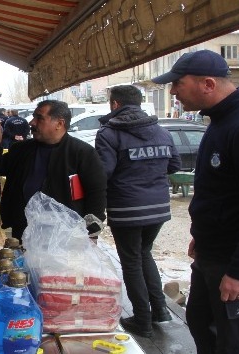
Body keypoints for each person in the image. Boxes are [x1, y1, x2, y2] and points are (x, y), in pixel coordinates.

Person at [152, 49, 239, 353]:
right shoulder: (221, 122)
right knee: (205, 327)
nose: (173, 91)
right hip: (215, 255)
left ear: (208, 84)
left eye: (178, 83)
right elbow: (219, 192)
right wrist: (202, 239)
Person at [94, 85, 181, 338]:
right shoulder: (161, 132)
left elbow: (104, 172)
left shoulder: (109, 133)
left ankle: (142, 320)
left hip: (127, 208)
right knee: (144, 254)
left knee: (131, 261)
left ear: (115, 105)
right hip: (158, 208)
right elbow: (174, 164)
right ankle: (160, 311)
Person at [0, 100, 107, 241]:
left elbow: (96, 193)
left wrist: (92, 233)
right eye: (34, 117)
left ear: (59, 124)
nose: (32, 123)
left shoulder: (82, 153)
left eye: (39, 118)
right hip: (24, 230)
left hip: (64, 236)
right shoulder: (21, 149)